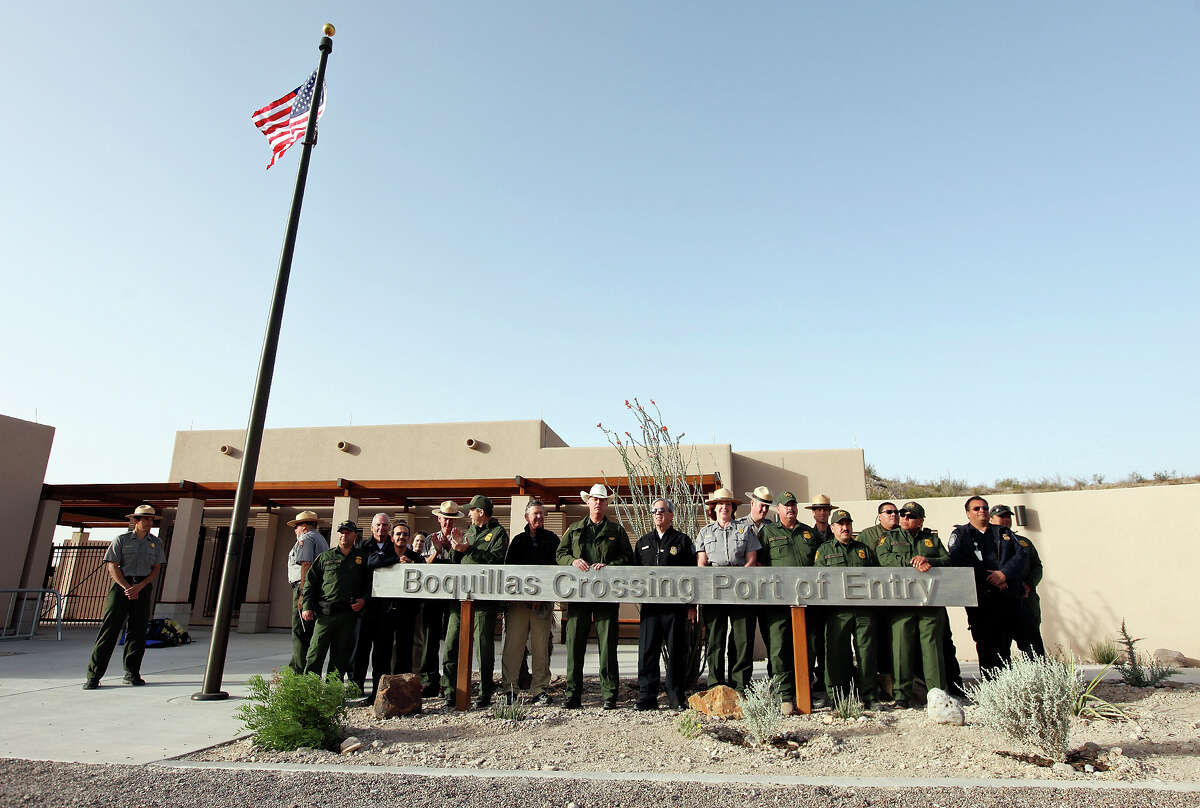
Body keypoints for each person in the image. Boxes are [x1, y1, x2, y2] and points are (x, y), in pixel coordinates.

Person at [556, 483, 633, 709]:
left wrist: (609, 565)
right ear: (587, 502)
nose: (597, 503)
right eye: (594, 499)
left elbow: (628, 558)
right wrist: (572, 561)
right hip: (578, 596)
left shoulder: (616, 531)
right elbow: (560, 553)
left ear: (607, 503)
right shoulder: (574, 529)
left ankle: (609, 695)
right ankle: (573, 694)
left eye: (602, 500)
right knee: (574, 645)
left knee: (608, 646)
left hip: (605, 596)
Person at [83, 505, 167, 689]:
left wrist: (140, 586)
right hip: (122, 586)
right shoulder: (121, 540)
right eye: (145, 518)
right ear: (136, 520)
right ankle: (94, 675)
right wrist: (126, 587)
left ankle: (132, 672)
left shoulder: (155, 542)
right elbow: (112, 565)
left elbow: (156, 568)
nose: (149, 522)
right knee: (109, 630)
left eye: (152, 519)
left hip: (142, 587)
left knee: (137, 631)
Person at [874, 501, 949, 708]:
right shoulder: (889, 538)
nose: (905, 518)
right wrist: (911, 561)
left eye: (911, 516)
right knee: (901, 649)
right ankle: (901, 696)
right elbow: (884, 559)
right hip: (902, 603)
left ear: (921, 520)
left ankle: (938, 694)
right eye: (903, 514)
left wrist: (930, 560)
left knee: (932, 648)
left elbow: (948, 559)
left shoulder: (931, 540)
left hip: (929, 602)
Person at [947, 496, 1028, 679]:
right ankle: (991, 687)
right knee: (985, 643)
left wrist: (1003, 574)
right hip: (981, 597)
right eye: (976, 509)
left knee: (1005, 643)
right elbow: (958, 559)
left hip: (1007, 596)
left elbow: (1021, 555)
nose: (981, 511)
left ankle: (1007, 686)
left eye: (984, 507)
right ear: (968, 513)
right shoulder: (961, 535)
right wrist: (989, 577)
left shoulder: (1003, 532)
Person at [442, 494, 509, 708]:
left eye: (471, 510)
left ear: (481, 512)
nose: (469, 513)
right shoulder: (468, 532)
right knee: (452, 645)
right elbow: (456, 561)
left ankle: (484, 692)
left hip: (484, 601)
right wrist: (455, 547)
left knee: (483, 647)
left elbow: (496, 561)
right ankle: (451, 691)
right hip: (461, 598)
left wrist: (468, 549)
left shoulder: (497, 533)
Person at [633, 498, 697, 711]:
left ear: (671, 515)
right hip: (651, 608)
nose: (658, 514)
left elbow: (692, 576)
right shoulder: (643, 542)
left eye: (662, 510)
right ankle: (647, 697)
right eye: (654, 511)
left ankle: (676, 696)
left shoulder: (682, 541)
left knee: (677, 652)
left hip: (675, 608)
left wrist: (691, 605)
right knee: (647, 651)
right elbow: (635, 575)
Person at [813, 509, 881, 707]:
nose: (845, 528)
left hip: (863, 611)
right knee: (836, 654)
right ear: (832, 528)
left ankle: (869, 695)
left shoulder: (864, 549)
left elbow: (877, 577)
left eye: (848, 524)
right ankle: (837, 697)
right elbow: (818, 579)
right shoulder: (824, 550)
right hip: (837, 612)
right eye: (840, 524)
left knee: (866, 653)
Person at [695, 487, 759, 694]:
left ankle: (740, 684)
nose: (724, 507)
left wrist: (740, 580)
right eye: (720, 504)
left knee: (741, 638)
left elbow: (751, 560)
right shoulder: (705, 532)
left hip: (741, 590)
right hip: (715, 591)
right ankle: (715, 683)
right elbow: (702, 563)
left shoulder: (745, 530)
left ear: (733, 508)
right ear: (714, 508)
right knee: (715, 638)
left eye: (728, 504)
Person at [755, 490, 812, 715]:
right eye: (785, 505)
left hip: (805, 603)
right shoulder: (767, 533)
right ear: (777, 510)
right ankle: (784, 695)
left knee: (806, 647)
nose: (790, 509)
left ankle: (804, 691)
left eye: (793, 505)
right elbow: (759, 566)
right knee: (779, 649)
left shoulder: (808, 533)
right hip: (777, 603)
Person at [501, 498, 559, 705]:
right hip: (519, 604)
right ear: (527, 516)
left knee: (541, 647)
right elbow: (510, 572)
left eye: (542, 514)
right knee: (513, 647)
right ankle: (510, 689)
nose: (539, 517)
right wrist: (525, 596)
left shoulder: (552, 540)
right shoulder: (518, 541)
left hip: (542, 605)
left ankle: (540, 689)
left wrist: (542, 597)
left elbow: (557, 570)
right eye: (535, 513)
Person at [302, 521, 370, 681]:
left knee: (340, 657)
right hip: (325, 615)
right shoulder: (325, 557)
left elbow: (371, 584)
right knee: (315, 654)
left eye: (348, 532)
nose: (344, 535)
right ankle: (308, 691)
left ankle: (332, 694)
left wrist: (364, 601)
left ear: (355, 535)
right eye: (341, 532)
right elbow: (310, 583)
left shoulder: (362, 558)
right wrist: (307, 606)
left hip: (348, 616)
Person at [417, 501, 465, 696]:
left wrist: (455, 547)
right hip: (433, 596)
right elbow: (423, 565)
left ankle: (450, 682)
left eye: (451, 520)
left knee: (452, 641)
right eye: (445, 519)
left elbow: (463, 565)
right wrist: (437, 550)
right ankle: (429, 680)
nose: (448, 523)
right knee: (430, 640)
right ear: (439, 519)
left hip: (453, 595)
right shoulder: (430, 539)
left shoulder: (461, 537)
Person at [990, 504, 1044, 656]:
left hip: (1025, 600)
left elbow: (1037, 567)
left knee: (1033, 648)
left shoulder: (1023, 542)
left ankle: (1039, 677)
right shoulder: (986, 542)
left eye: (1008, 517)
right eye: (1002, 516)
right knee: (1000, 647)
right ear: (991, 518)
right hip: (1000, 600)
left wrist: (1029, 585)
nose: (1006, 520)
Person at [352, 512, 393, 697]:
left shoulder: (395, 547)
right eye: (378, 525)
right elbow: (363, 569)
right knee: (360, 650)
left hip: (385, 609)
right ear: (371, 526)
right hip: (364, 608)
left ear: (389, 528)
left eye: (384, 525)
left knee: (382, 653)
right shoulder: (362, 547)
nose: (381, 528)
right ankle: (356, 687)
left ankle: (379, 689)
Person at [284, 510, 329, 673]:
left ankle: (298, 670)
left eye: (296, 526)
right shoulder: (320, 538)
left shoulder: (307, 538)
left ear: (303, 526)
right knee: (307, 630)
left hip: (304, 587)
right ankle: (298, 666)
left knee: (300, 630)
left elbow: (306, 564)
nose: (295, 530)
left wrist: (303, 593)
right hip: (314, 588)